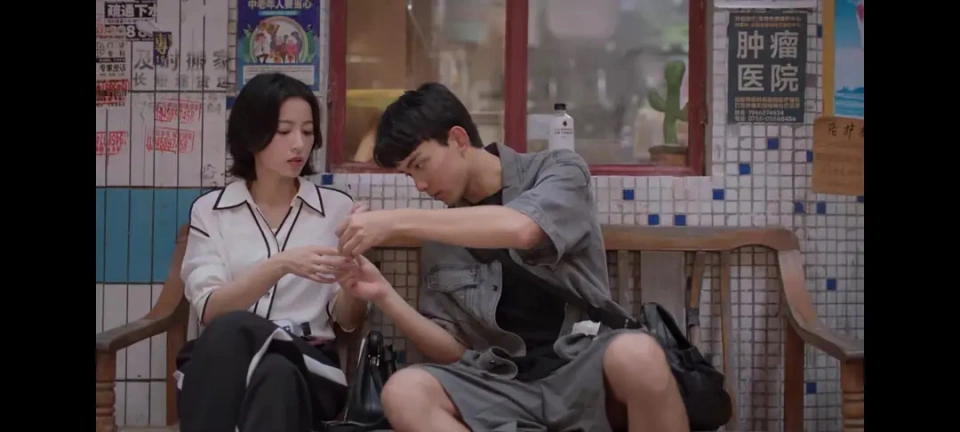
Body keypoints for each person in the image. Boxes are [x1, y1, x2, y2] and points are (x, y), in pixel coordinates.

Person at [325, 82, 690, 432]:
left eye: (420, 165)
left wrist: (394, 221)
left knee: (639, 354)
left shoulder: (558, 170)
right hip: (502, 383)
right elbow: (454, 350)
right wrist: (384, 295)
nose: (419, 185)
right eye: (409, 175)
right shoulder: (440, 234)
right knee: (404, 393)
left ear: (458, 139)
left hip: (582, 367)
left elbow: (524, 229)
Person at [176, 72, 369, 432]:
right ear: (251, 134)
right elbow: (211, 309)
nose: (299, 144)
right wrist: (280, 265)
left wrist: (353, 282)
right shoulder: (210, 211)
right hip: (228, 365)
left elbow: (348, 320)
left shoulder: (337, 210)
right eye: (284, 131)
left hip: (311, 363)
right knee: (271, 370)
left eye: (307, 132)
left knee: (249, 340)